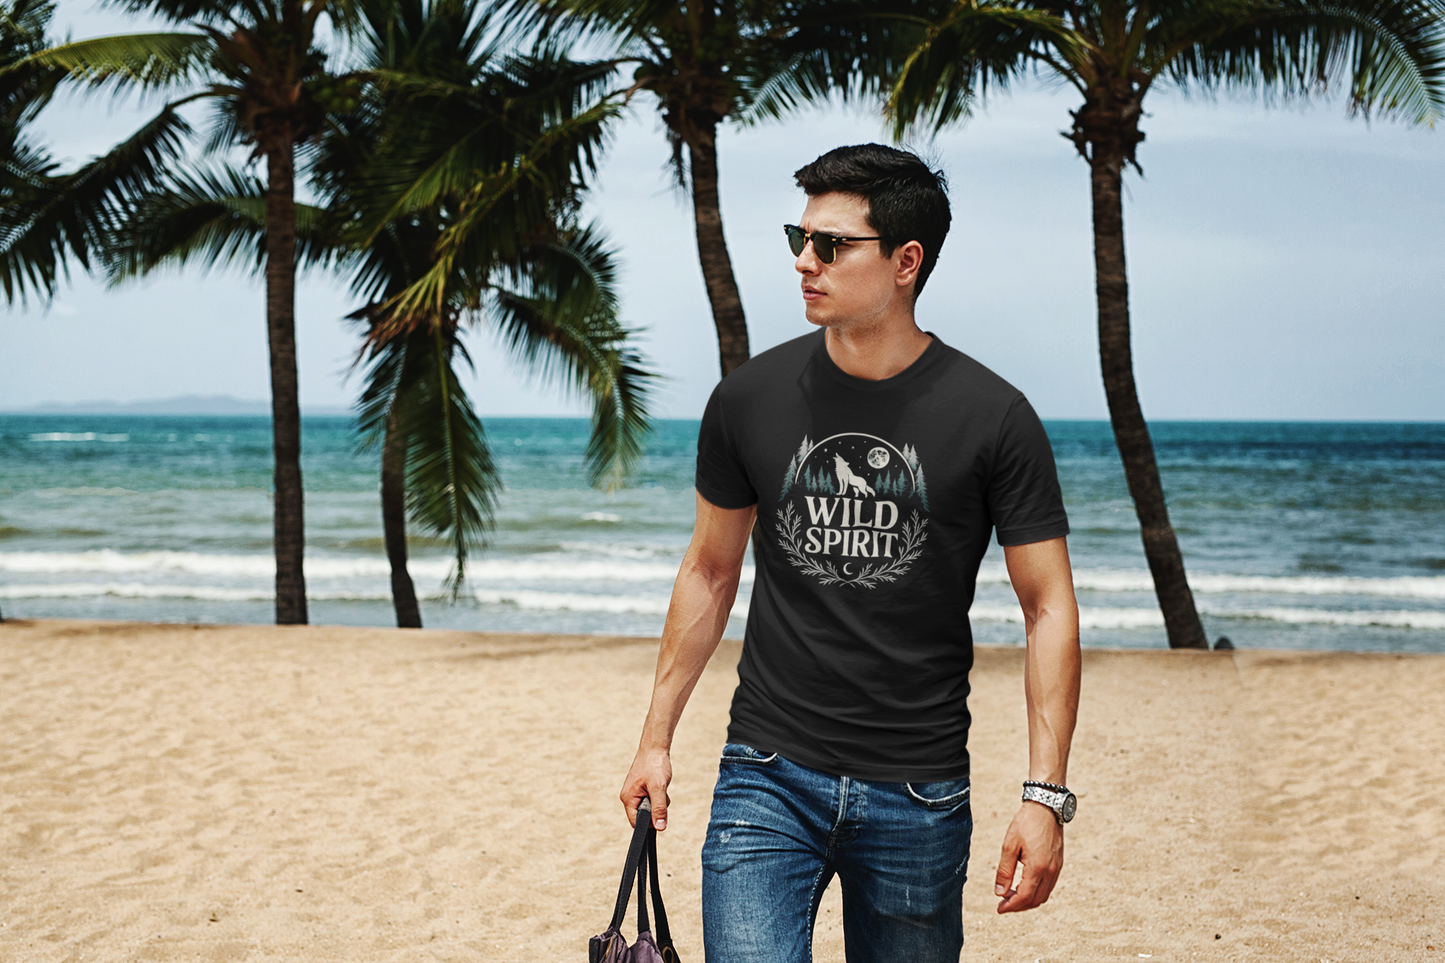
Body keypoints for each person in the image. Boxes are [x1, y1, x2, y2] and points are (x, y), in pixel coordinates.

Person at [620, 143, 1081, 962]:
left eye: (831, 244)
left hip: (919, 790)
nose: (804, 260)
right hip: (765, 772)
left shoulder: (994, 417)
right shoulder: (747, 400)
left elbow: (1046, 604)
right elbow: (709, 569)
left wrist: (1043, 796)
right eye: (799, 237)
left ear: (906, 261)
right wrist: (655, 737)